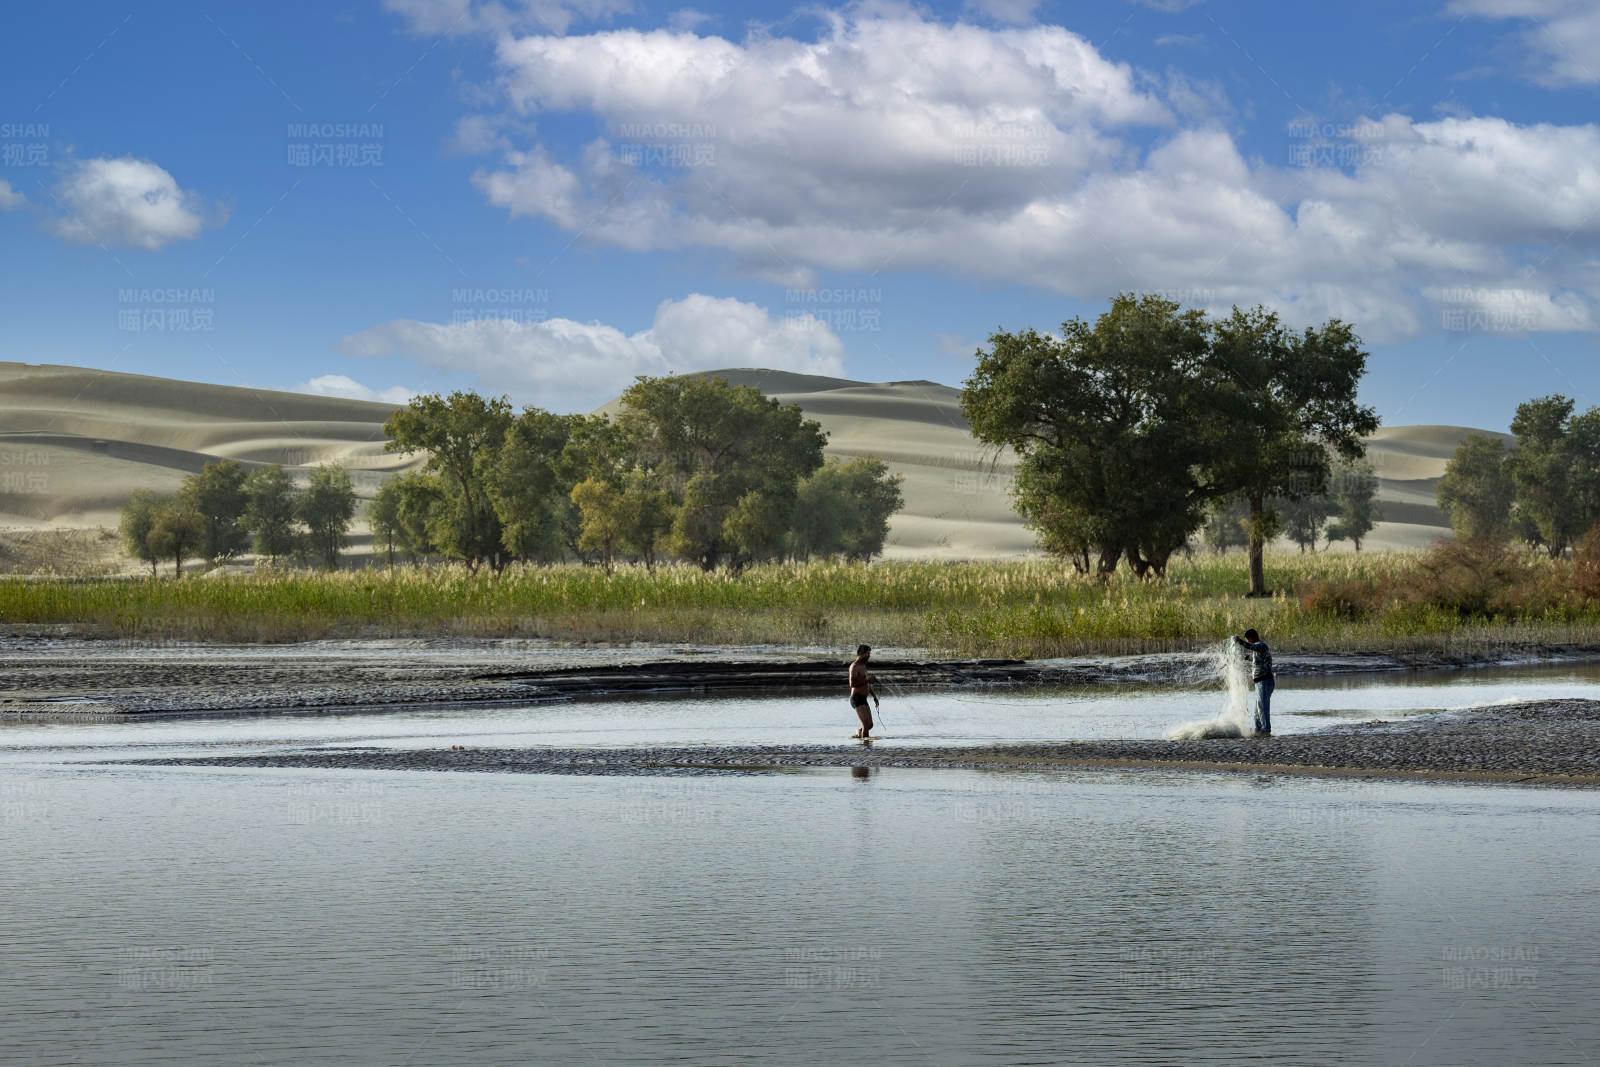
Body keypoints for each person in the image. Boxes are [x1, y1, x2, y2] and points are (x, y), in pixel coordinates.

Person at [1233, 628, 1275, 736]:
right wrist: (1248, 658)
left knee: (1263, 707)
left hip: (1264, 681)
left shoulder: (1261, 645)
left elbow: (1253, 647)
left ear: (1251, 638)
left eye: (1247, 640)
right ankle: (1258, 729)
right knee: (1257, 708)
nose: (1247, 642)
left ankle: (1266, 730)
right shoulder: (1259, 649)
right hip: (1260, 682)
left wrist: (1240, 641)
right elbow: (1259, 659)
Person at [848, 644, 880, 739]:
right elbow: (852, 684)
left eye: (869, 653)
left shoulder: (863, 667)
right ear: (860, 654)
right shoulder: (854, 666)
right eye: (867, 653)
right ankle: (865, 748)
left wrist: (874, 697)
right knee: (866, 724)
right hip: (856, 698)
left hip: (863, 698)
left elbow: (867, 685)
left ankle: (859, 733)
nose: (869, 656)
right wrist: (868, 680)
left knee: (870, 725)